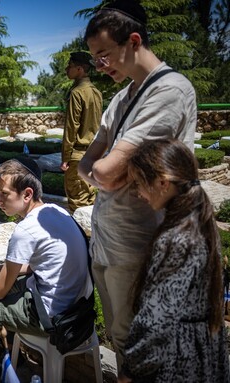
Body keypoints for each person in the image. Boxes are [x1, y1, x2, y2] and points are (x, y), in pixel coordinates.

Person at [77, 0, 197, 373]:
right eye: (96, 58)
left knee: (144, 347)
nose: (101, 66)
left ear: (133, 41)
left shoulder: (169, 92)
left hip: (140, 245)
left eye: (105, 55)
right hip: (110, 243)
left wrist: (100, 170)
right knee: (121, 339)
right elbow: (89, 164)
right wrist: (99, 169)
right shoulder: (121, 97)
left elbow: (106, 172)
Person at [0, 159, 92, 377]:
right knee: (14, 284)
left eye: (3, 194)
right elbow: (39, 267)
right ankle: (10, 346)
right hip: (74, 307)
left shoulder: (25, 230)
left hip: (48, 316)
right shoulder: (56, 211)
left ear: (26, 194)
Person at [120, 139, 229, 382]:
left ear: (162, 182)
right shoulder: (200, 222)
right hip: (203, 351)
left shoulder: (177, 239)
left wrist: (129, 370)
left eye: (139, 183)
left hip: (178, 360)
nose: (138, 193)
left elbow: (156, 318)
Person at [60, 51, 102, 212]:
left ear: (79, 69)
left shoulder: (77, 92)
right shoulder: (96, 92)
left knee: (77, 203)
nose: (66, 69)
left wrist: (65, 157)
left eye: (69, 66)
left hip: (77, 156)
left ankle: (82, 237)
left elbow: (72, 127)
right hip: (93, 154)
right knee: (89, 200)